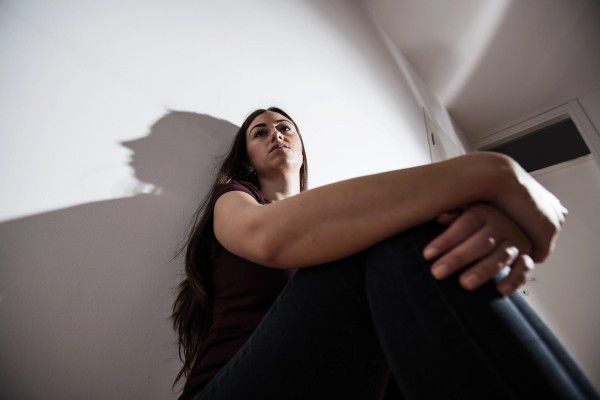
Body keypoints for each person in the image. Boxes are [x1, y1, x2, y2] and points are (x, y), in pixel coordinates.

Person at [172, 107, 598, 399]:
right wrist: (492, 172)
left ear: (301, 148)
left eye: (285, 128)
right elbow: (268, 238)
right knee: (402, 239)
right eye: (259, 132)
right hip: (230, 386)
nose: (275, 135)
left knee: (417, 240)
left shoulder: (338, 217)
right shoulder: (235, 198)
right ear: (246, 156)